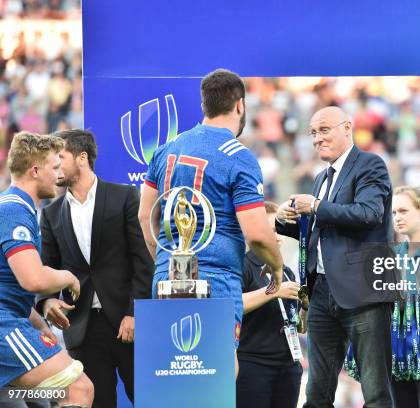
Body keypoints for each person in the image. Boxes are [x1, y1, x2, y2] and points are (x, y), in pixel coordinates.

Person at [138, 69, 284, 371]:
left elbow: (144, 216)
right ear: (240, 105)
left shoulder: (166, 148)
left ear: (204, 105)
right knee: (214, 376)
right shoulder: (238, 156)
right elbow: (257, 234)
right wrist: (278, 266)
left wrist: (166, 262)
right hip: (215, 280)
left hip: (166, 278)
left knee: (172, 375)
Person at [276, 106, 395, 407]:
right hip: (322, 293)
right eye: (313, 133)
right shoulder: (321, 178)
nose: (317, 138)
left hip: (364, 291)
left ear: (347, 128)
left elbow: (370, 213)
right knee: (316, 391)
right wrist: (282, 220)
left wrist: (315, 205)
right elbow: (320, 234)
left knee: (375, 390)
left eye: (324, 129)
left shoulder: (370, 164)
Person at [34, 129, 154, 408]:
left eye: (59, 157)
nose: (54, 166)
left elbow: (143, 261)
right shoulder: (51, 214)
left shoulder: (124, 196)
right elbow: (47, 269)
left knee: (150, 400)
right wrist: (47, 300)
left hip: (127, 323)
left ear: (82, 158)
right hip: (82, 330)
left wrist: (134, 312)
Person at [0, 132, 93, 407]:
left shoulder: (16, 208)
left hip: (11, 321)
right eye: (54, 167)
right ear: (35, 170)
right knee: (79, 390)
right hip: (4, 327)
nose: (59, 174)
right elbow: (33, 279)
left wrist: (41, 326)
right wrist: (68, 277)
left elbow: (9, 288)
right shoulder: (14, 211)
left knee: (34, 400)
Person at [346, 186, 420, 407]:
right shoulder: (394, 254)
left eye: (403, 211)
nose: (397, 217)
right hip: (399, 356)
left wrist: (403, 304)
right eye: (394, 213)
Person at [236, 201, 303, 408]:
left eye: (278, 229)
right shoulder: (242, 266)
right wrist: (272, 291)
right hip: (254, 364)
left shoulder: (287, 271)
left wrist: (308, 305)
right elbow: (232, 306)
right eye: (270, 229)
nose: (277, 236)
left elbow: (300, 326)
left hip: (289, 364)